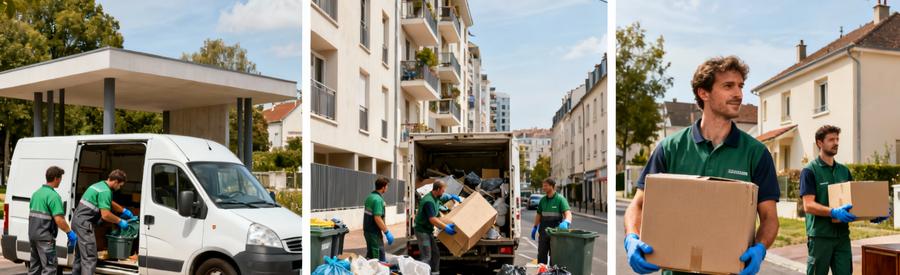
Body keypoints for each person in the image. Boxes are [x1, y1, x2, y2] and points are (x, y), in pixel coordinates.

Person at [623, 56, 781, 275]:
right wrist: (631, 237)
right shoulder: (670, 148)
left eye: (740, 86)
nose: (738, 94)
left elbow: (769, 218)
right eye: (728, 86)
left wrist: (760, 248)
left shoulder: (756, 153)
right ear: (703, 93)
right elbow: (638, 205)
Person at [800, 125, 888, 275]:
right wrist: (833, 212)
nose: (836, 143)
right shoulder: (809, 171)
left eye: (837, 139)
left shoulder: (844, 171)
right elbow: (808, 205)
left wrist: (873, 214)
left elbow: (854, 202)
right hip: (820, 237)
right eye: (831, 139)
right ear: (819, 143)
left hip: (842, 237)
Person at [72, 169, 135, 275]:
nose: (119, 188)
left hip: (77, 222)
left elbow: (109, 201)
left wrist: (123, 210)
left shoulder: (99, 185)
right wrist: (120, 221)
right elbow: (105, 215)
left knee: (80, 256)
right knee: (90, 257)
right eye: (120, 185)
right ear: (116, 182)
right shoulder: (105, 191)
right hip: (84, 225)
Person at [28, 166, 77, 275]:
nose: (60, 181)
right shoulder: (54, 196)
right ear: (56, 178)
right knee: (49, 269)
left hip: (33, 236)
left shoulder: (36, 193)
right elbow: (59, 219)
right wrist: (69, 232)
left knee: (35, 269)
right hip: (45, 238)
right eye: (60, 178)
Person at [414, 180, 461, 274]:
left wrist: (451, 196)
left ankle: (435, 272)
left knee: (435, 254)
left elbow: (444, 197)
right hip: (422, 232)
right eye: (443, 190)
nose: (443, 192)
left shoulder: (436, 196)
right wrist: (446, 227)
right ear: (438, 189)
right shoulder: (428, 201)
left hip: (428, 231)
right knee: (426, 256)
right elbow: (432, 219)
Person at [530, 178, 572, 264]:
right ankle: (542, 270)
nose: (543, 188)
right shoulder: (543, 200)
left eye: (545, 186)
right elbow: (538, 215)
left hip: (555, 232)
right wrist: (535, 227)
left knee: (555, 256)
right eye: (543, 186)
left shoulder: (560, 199)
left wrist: (566, 221)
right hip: (543, 232)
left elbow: (568, 213)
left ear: (552, 186)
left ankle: (554, 270)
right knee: (541, 255)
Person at [364, 177, 393, 262]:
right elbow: (377, 218)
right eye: (387, 186)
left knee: (370, 255)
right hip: (374, 233)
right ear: (383, 187)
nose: (387, 188)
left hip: (367, 231)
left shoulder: (370, 197)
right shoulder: (378, 200)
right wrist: (387, 232)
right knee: (379, 256)